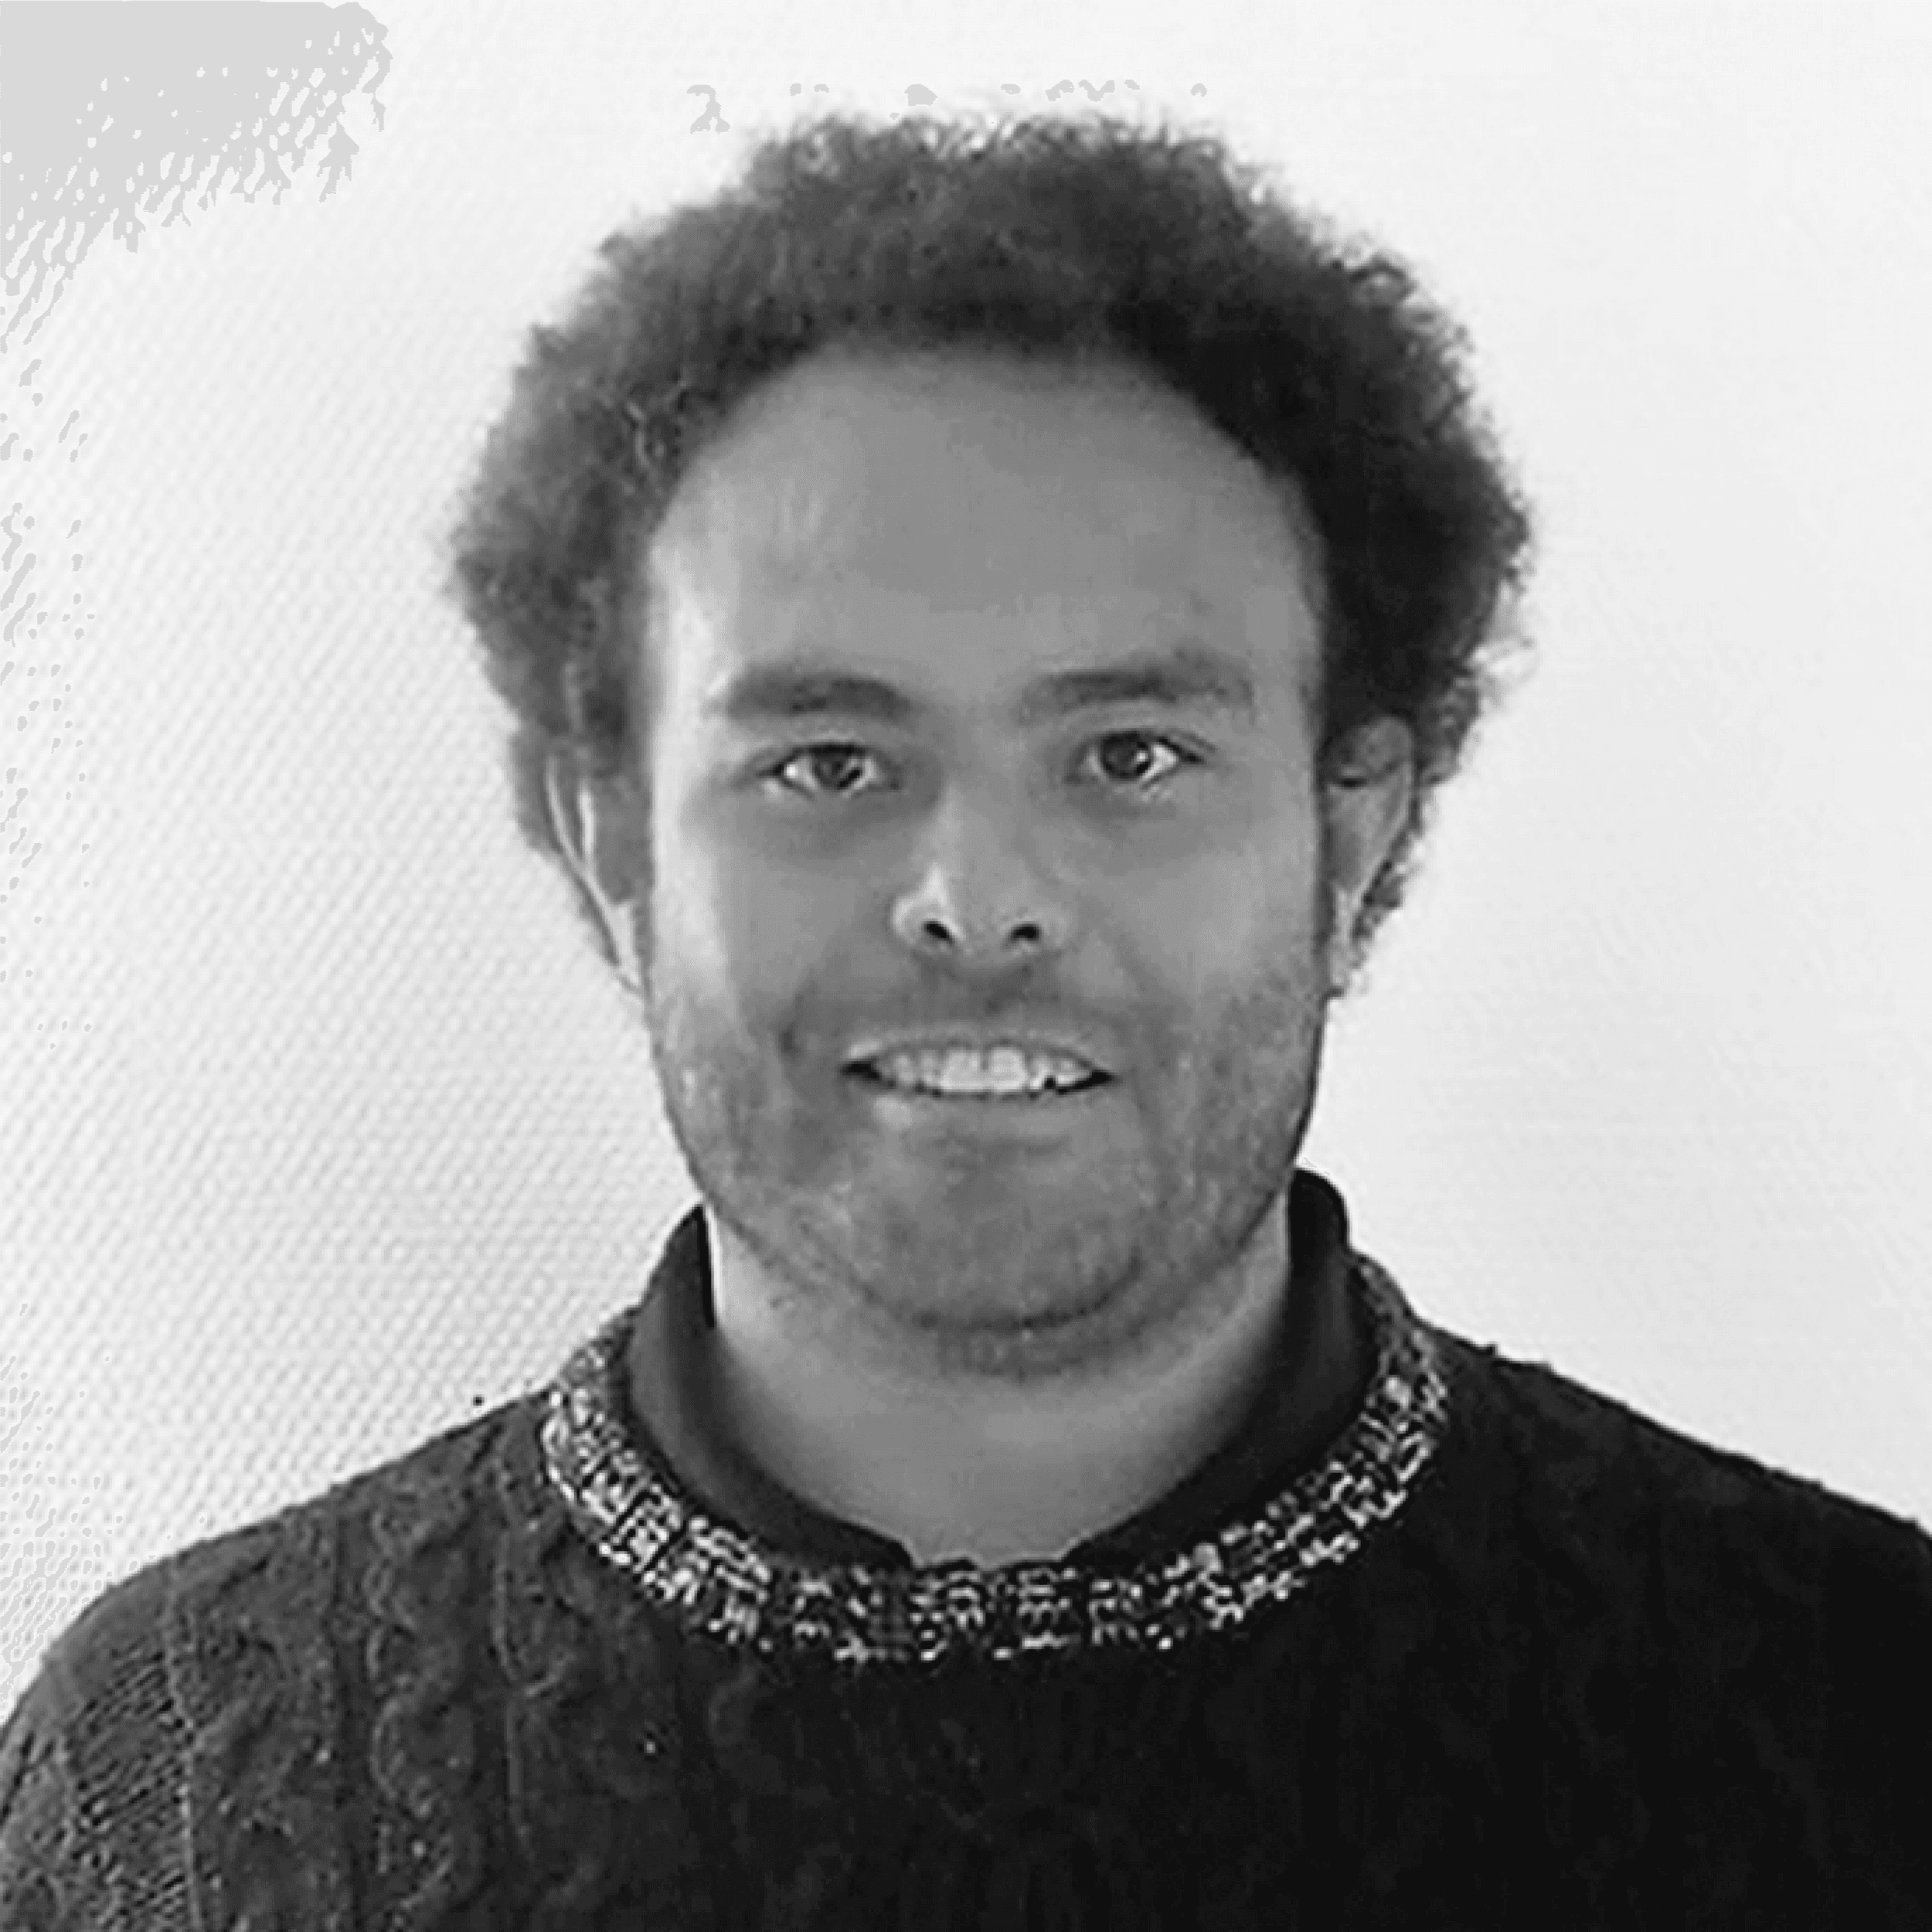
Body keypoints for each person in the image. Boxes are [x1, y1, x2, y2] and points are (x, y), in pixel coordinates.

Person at [3, 107, 1928, 1930]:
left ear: (1347, 836)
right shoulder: (166, 1789)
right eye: (829, 761)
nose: (976, 894)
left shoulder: (1856, 1711)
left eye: (1130, 751)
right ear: (614, 848)